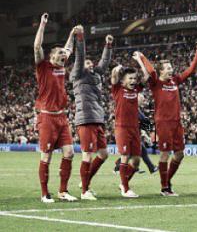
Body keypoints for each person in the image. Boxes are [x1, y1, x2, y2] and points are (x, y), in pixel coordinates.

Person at [134, 44, 197, 196]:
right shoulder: (156, 83)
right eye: (168, 68)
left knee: (179, 154)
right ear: (161, 71)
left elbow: (190, 70)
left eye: (171, 67)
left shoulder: (175, 81)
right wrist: (142, 57)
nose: (171, 69)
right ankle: (165, 187)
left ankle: (166, 181)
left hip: (177, 123)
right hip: (163, 123)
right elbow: (151, 70)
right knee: (165, 154)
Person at [33, 13, 78, 203]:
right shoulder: (43, 67)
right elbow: (37, 47)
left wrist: (72, 34)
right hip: (47, 118)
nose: (63, 56)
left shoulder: (61, 65)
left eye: (63, 54)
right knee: (47, 156)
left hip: (61, 117)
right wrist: (43, 24)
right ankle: (45, 193)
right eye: (59, 54)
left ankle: (63, 191)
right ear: (50, 57)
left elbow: (68, 48)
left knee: (70, 152)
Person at [70, 28, 113, 200]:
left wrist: (108, 45)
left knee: (103, 154)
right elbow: (80, 58)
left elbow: (104, 63)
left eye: (91, 63)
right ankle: (84, 191)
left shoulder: (96, 75)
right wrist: (80, 38)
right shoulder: (77, 74)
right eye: (87, 63)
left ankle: (85, 181)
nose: (90, 65)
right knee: (87, 155)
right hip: (85, 119)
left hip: (98, 118)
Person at [111, 64, 145, 198]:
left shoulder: (136, 90)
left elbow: (146, 75)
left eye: (134, 79)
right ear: (123, 81)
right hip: (122, 128)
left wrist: (140, 60)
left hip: (135, 129)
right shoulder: (117, 89)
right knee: (125, 157)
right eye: (130, 78)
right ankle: (125, 189)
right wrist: (117, 68)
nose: (133, 81)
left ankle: (123, 183)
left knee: (136, 161)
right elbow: (114, 76)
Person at [113, 94, 158, 175]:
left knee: (140, 152)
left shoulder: (136, 108)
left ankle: (150, 168)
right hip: (129, 133)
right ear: (137, 99)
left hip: (135, 133)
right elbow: (142, 119)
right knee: (131, 153)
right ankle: (118, 167)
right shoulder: (133, 107)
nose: (143, 102)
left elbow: (140, 121)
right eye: (142, 99)